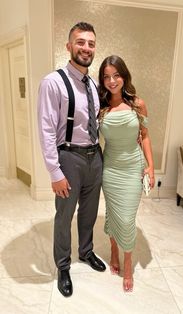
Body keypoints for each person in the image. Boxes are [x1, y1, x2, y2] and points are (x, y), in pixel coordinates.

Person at [37, 22, 106, 298]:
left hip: (94, 156)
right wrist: (55, 172)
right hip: (68, 157)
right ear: (68, 46)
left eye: (90, 43)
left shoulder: (93, 84)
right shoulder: (52, 82)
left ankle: (86, 252)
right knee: (64, 215)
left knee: (89, 212)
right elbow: (45, 129)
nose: (86, 48)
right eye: (80, 42)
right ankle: (63, 265)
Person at [98, 55, 155, 292]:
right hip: (110, 168)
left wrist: (151, 167)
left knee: (127, 218)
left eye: (116, 75)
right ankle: (113, 249)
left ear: (124, 76)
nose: (112, 81)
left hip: (133, 167)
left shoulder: (137, 104)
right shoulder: (100, 107)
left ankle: (128, 261)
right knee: (112, 212)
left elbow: (144, 135)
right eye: (107, 77)